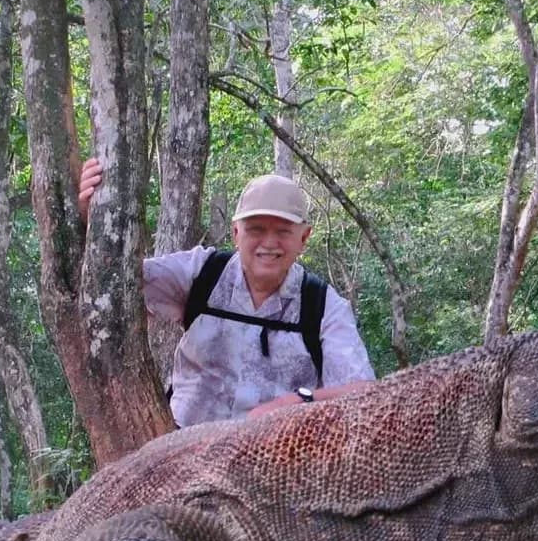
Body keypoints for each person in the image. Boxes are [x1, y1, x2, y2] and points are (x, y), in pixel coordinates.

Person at [79, 158, 375, 427]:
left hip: (275, 458)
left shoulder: (322, 305)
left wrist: (297, 401)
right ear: (236, 233)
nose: (269, 243)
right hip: (182, 448)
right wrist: (90, 218)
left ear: (304, 238)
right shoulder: (202, 273)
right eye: (256, 229)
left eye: (283, 231)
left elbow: (363, 393)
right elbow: (118, 278)